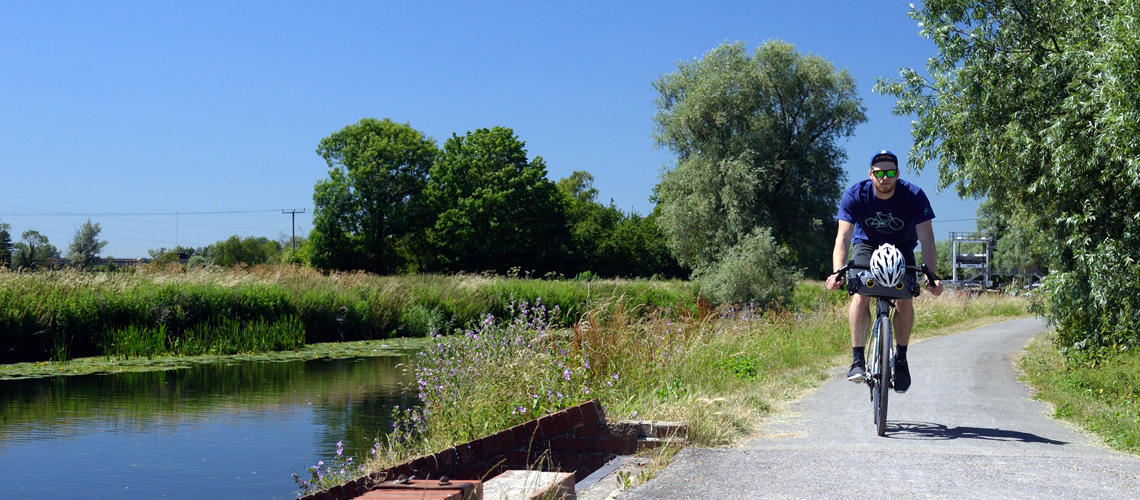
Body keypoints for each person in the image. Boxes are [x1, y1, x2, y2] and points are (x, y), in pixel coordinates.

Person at [825, 150, 944, 393]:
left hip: (902, 247)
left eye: (890, 173)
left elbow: (927, 239)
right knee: (861, 294)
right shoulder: (855, 194)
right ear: (871, 174)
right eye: (879, 173)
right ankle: (858, 360)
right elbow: (843, 238)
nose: (885, 178)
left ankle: (900, 359)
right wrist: (838, 271)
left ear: (898, 174)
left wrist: (931, 275)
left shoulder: (914, 196)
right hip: (866, 246)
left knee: (905, 299)